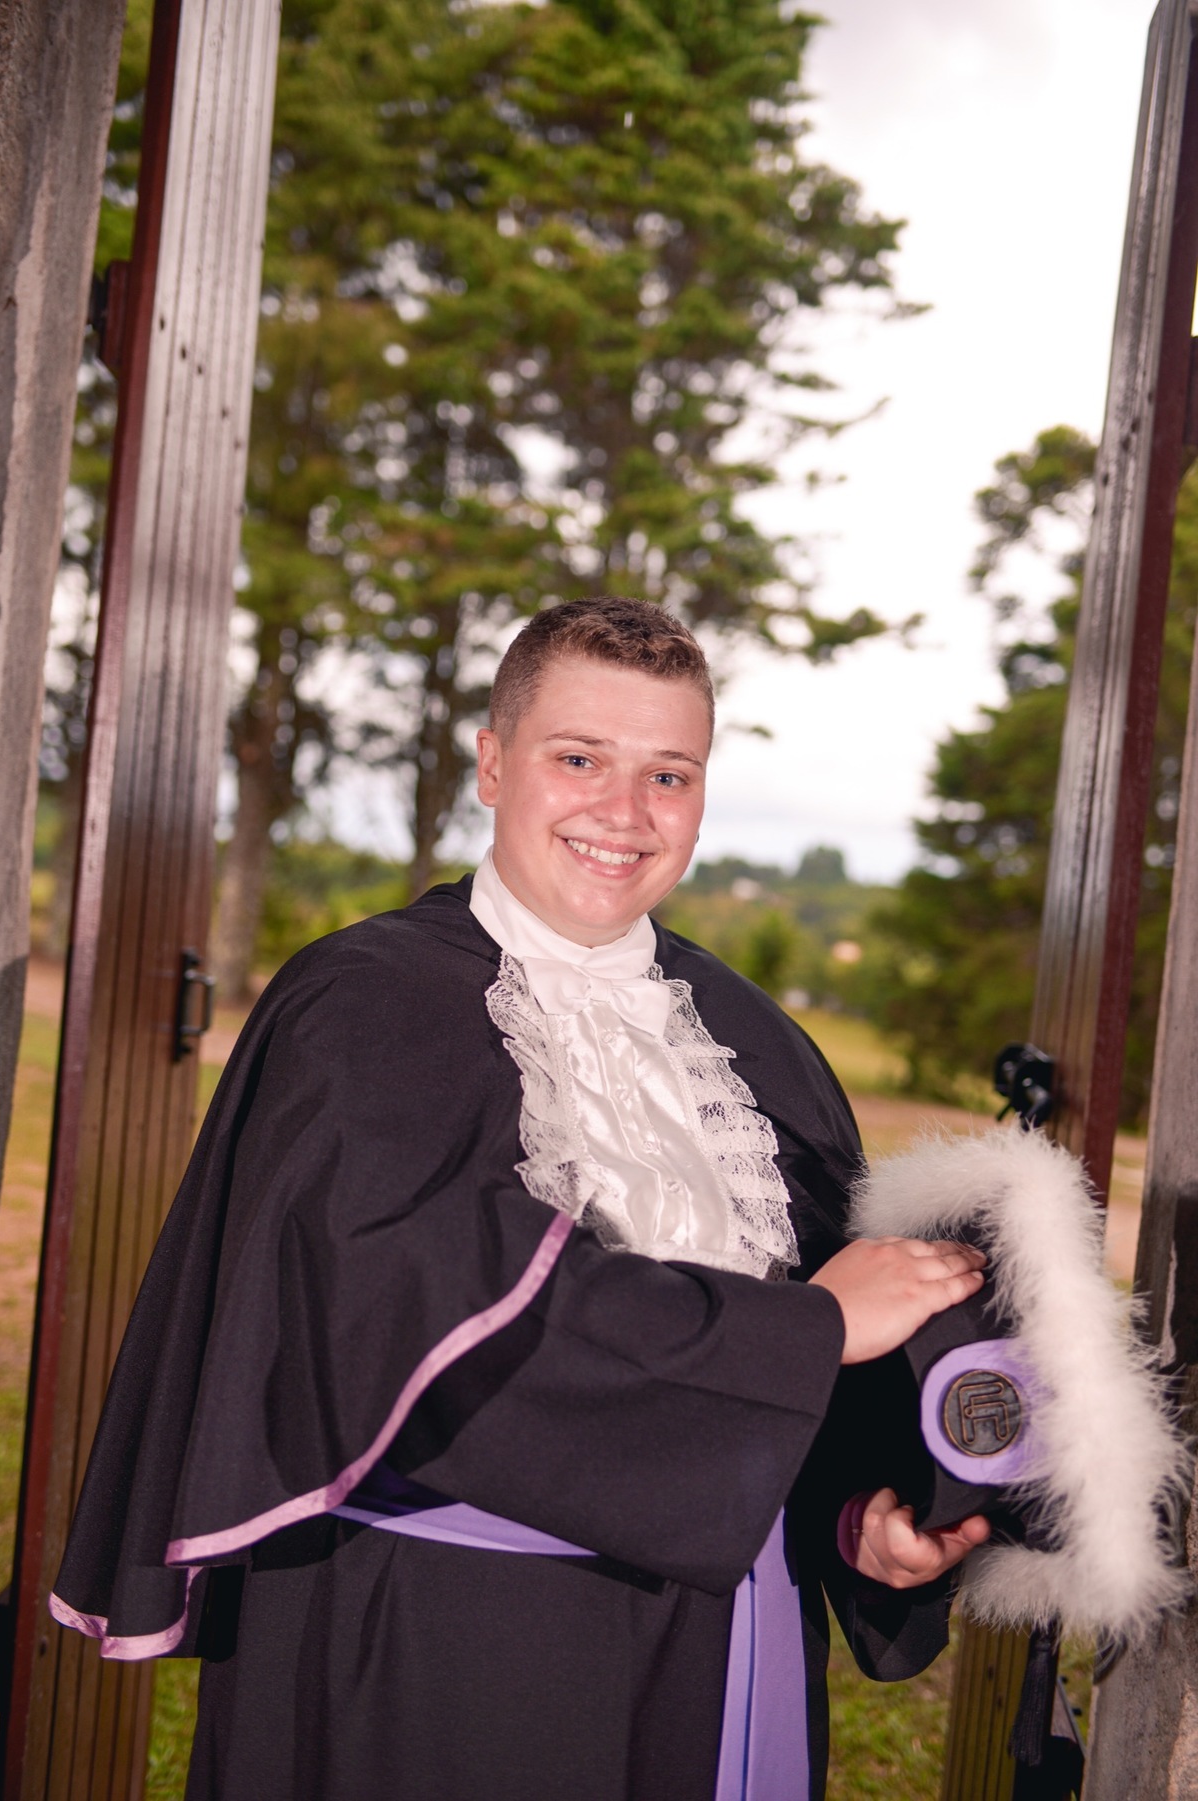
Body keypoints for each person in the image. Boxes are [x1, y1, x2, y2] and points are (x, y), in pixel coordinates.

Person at [51, 596, 989, 1800]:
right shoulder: (363, 1004)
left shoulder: (759, 1040)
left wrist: (858, 1515)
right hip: (442, 1638)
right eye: (580, 759)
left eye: (669, 775)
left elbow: (823, 1357)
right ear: (493, 766)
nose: (625, 811)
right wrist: (807, 1329)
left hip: (718, 1641)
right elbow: (436, 1298)